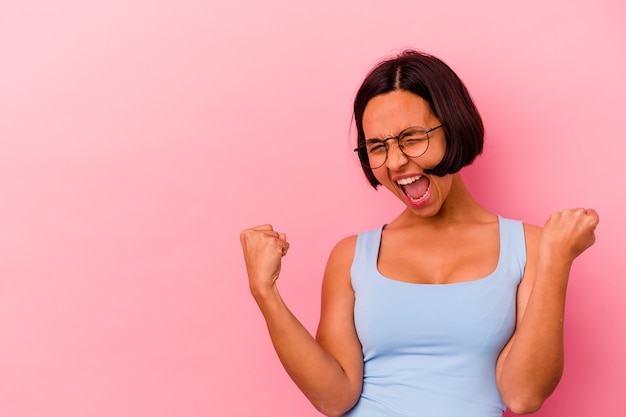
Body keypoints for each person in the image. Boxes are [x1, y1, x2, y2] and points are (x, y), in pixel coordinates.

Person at [239, 49, 599, 417]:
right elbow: (334, 398)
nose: (395, 163)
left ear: (453, 126)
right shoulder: (352, 256)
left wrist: (557, 258)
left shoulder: (531, 247)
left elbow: (523, 396)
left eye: (411, 138)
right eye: (377, 146)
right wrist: (265, 293)